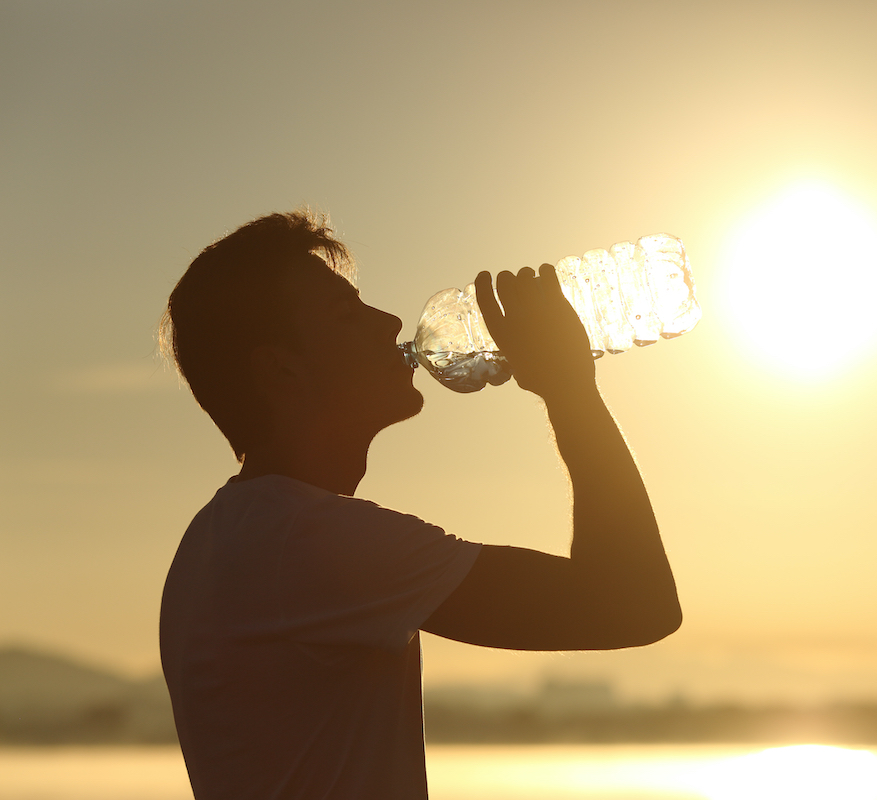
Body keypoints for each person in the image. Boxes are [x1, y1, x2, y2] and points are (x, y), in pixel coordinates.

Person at [157, 210, 682, 799]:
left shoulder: (222, 539)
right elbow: (634, 605)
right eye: (347, 315)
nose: (389, 322)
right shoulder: (305, 540)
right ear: (283, 369)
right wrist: (569, 388)